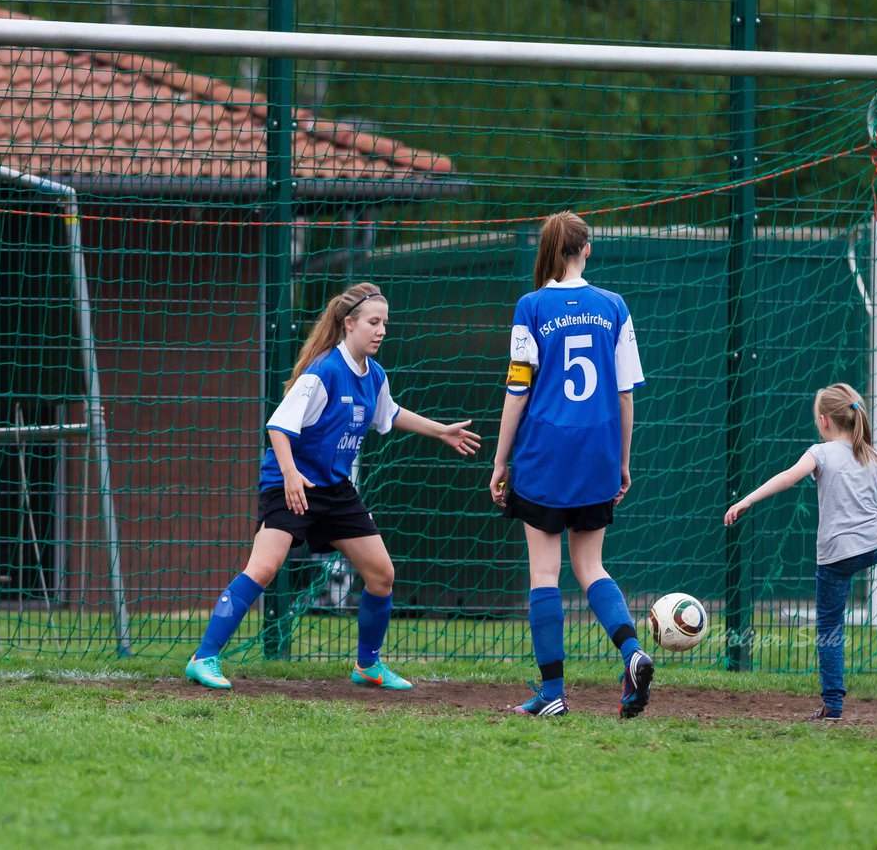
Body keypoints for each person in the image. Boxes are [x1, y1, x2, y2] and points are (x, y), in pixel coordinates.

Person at [185, 282, 481, 691]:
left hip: (335, 491)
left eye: (385, 323)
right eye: (373, 322)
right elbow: (279, 426)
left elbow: (389, 414)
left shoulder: (374, 375)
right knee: (265, 567)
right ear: (348, 324)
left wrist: (441, 431)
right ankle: (204, 658)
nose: (380, 331)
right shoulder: (323, 370)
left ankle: (368, 666)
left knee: (381, 575)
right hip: (292, 484)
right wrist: (290, 475)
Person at [489, 210, 654, 718]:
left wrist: (499, 463)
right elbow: (625, 395)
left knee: (545, 571)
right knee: (590, 566)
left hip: (545, 453)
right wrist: (622, 462)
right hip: (599, 452)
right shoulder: (614, 306)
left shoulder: (531, 306)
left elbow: (518, 390)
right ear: (587, 249)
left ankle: (552, 693)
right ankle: (632, 653)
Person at [723, 383, 877, 720]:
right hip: (873, 545)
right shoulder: (873, 456)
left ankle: (833, 705)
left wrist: (746, 500)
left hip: (836, 556)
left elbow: (786, 478)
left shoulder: (819, 454)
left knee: (829, 628)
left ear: (825, 420)